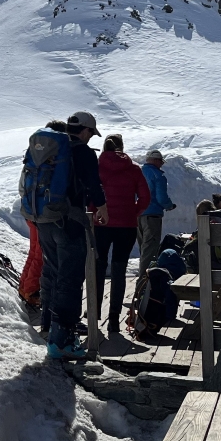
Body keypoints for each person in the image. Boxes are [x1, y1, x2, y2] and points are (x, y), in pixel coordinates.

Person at [36, 111, 107, 361]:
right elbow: (93, 183)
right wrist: (102, 207)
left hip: (45, 219)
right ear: (86, 131)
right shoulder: (83, 151)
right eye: (91, 133)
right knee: (70, 277)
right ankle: (62, 340)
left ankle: (49, 325)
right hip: (69, 221)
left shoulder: (53, 148)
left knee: (53, 271)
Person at [95, 135, 150, 338]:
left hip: (101, 224)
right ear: (122, 147)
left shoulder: (97, 167)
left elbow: (91, 193)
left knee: (98, 267)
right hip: (126, 226)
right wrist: (132, 212)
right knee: (119, 270)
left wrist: (96, 212)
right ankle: (114, 320)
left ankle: (94, 313)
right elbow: (145, 198)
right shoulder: (133, 168)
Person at [132, 149, 175, 312]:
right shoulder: (158, 175)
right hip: (152, 215)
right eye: (161, 162)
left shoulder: (139, 172)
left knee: (144, 250)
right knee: (150, 252)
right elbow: (161, 197)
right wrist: (169, 206)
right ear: (157, 161)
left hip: (138, 215)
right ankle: (143, 289)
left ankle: (144, 285)